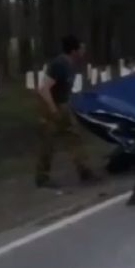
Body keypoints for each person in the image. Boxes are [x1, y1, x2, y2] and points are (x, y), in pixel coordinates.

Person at [36, 35, 96, 188]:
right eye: (81, 47)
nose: (84, 50)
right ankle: (42, 178)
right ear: (74, 50)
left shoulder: (70, 64)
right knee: (48, 143)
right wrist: (52, 109)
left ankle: (84, 170)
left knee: (74, 138)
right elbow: (43, 89)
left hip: (63, 105)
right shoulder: (59, 64)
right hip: (51, 107)